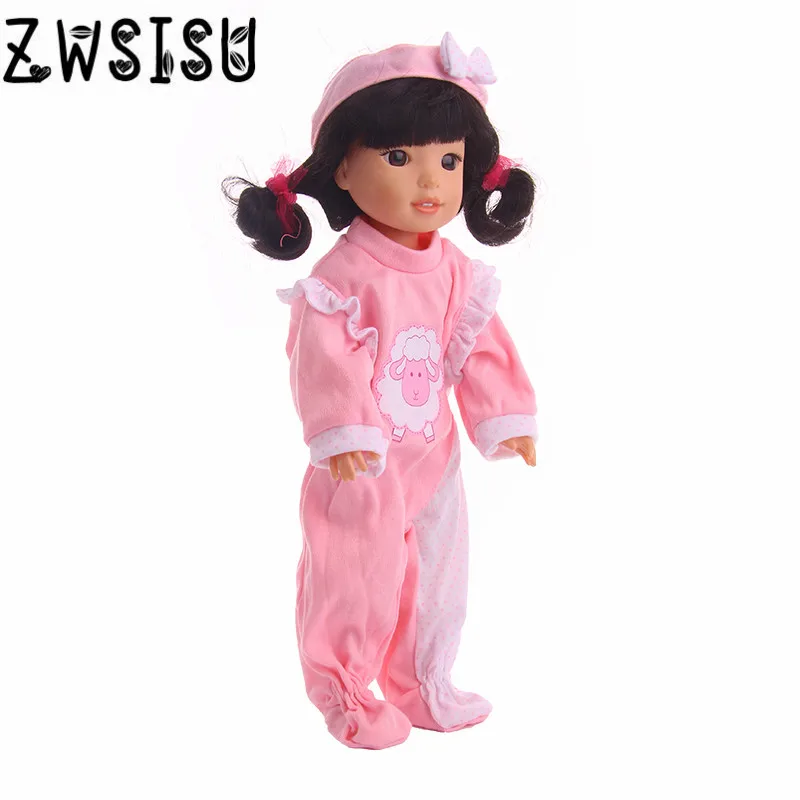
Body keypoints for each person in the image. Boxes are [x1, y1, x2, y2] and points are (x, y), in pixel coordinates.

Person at [223, 32, 539, 749]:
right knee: (356, 576)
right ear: (342, 167)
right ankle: (344, 691)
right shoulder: (343, 277)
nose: (430, 183)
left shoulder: (456, 271)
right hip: (361, 465)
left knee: (437, 576)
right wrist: (342, 432)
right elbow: (324, 361)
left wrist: (506, 417)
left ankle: (423, 683)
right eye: (399, 159)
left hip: (434, 459)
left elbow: (481, 346)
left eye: (448, 161)